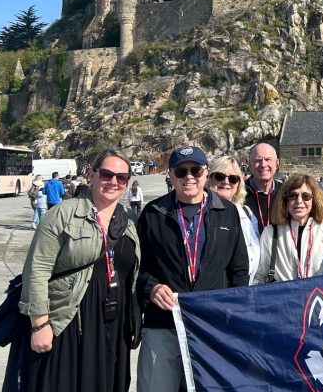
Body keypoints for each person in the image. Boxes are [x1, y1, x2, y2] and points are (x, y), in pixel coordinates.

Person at [19, 149, 141, 392]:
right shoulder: (63, 214)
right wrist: (39, 325)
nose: (114, 182)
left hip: (113, 324)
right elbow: (37, 269)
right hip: (69, 320)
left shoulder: (129, 221)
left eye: (121, 178)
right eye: (107, 174)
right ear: (92, 175)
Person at [136, 145, 249, 392]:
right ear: (171, 175)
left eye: (195, 171)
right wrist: (151, 288)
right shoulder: (153, 213)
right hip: (163, 323)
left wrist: (234, 318)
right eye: (181, 171)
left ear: (206, 173)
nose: (189, 177)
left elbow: (238, 271)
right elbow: (137, 269)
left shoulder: (227, 211)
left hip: (210, 326)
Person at [254, 174, 323, 283]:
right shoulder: (270, 233)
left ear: (314, 200)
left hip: (319, 297)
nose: (299, 201)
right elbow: (260, 277)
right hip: (285, 298)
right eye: (293, 195)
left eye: (306, 196)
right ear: (285, 200)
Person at [208, 155, 261, 284]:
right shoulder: (200, 213)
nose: (226, 182)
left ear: (239, 184)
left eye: (233, 178)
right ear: (209, 179)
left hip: (246, 290)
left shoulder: (247, 213)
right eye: (219, 176)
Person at [245, 143, 282, 234]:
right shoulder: (239, 192)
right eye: (258, 160)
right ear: (250, 165)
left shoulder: (286, 192)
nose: (263, 164)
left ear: (277, 164)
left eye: (268, 159)